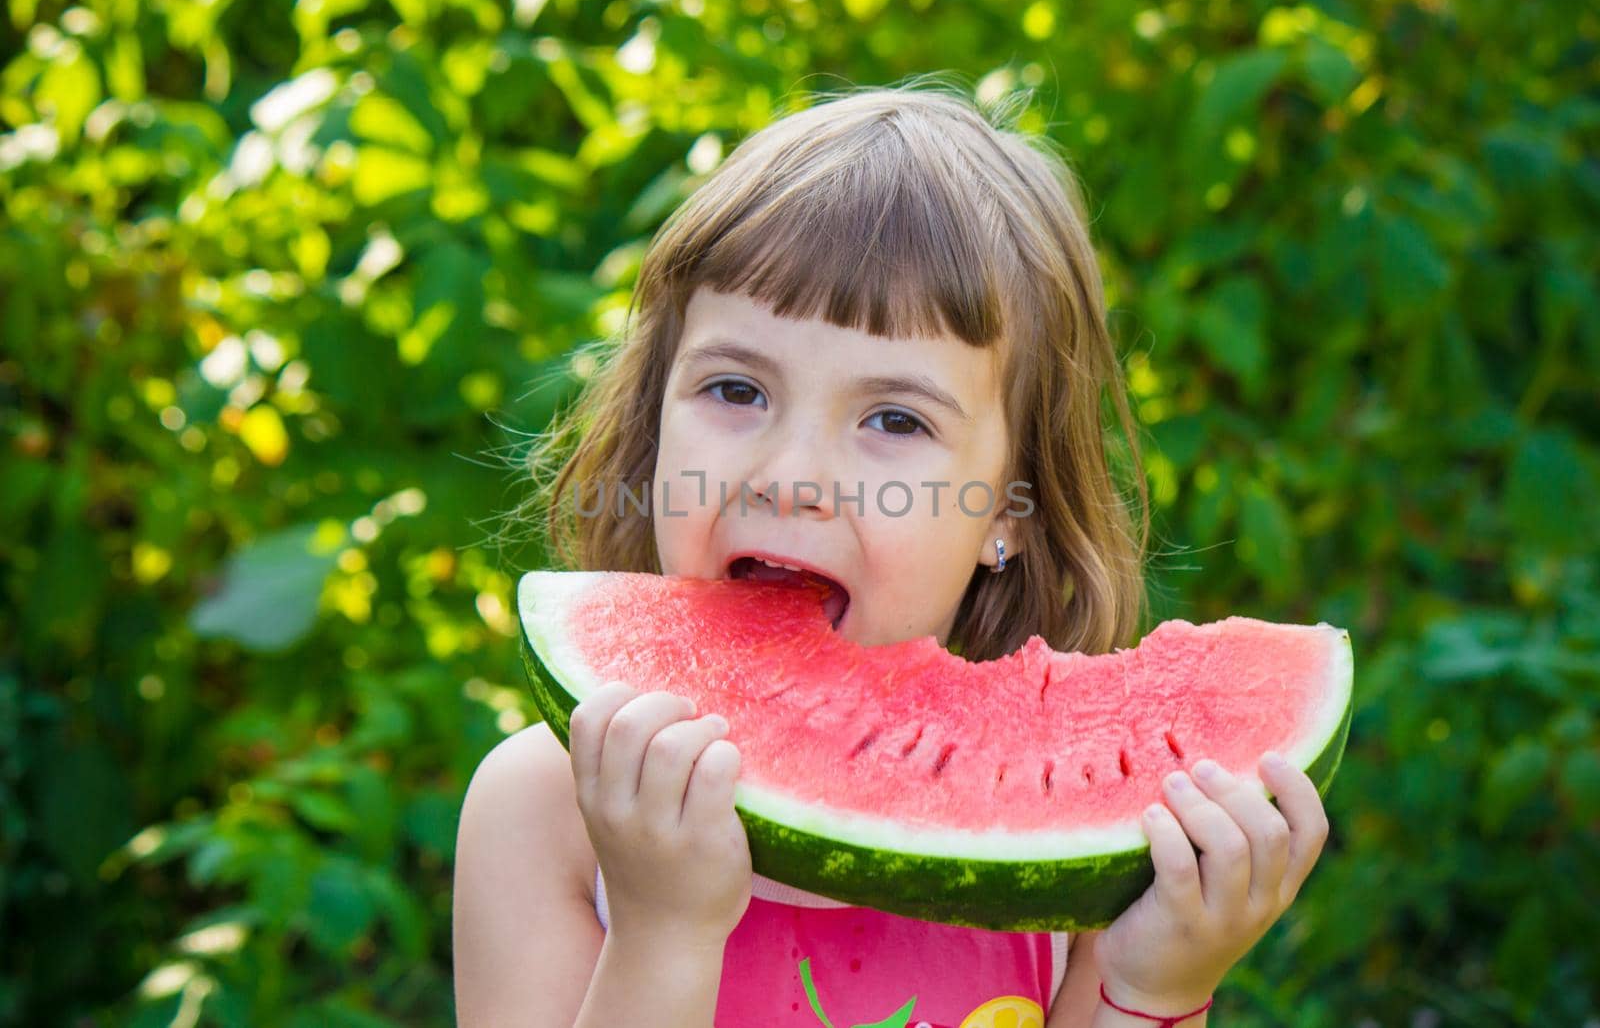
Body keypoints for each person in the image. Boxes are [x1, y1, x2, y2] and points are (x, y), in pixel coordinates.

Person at [453, 79, 1329, 1028]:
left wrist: (1153, 987)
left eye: (894, 418)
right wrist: (662, 930)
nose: (790, 475)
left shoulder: (1062, 841)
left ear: (1011, 507)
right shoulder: (545, 810)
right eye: (738, 390)